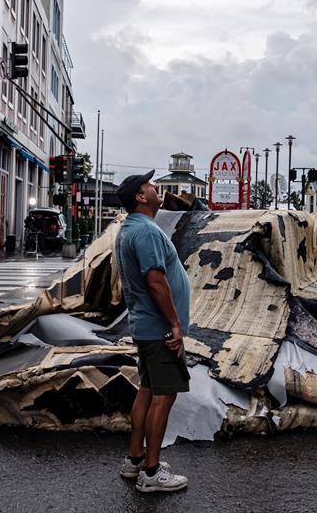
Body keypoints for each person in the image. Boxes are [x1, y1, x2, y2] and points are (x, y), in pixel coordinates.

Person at [114, 170, 191, 493]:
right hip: (158, 327)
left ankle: (135, 459)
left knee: (146, 390)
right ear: (140, 197)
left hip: (145, 325)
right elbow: (155, 280)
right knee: (164, 395)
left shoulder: (130, 229)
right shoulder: (145, 232)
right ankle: (151, 472)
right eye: (149, 185)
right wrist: (174, 324)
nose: (155, 186)